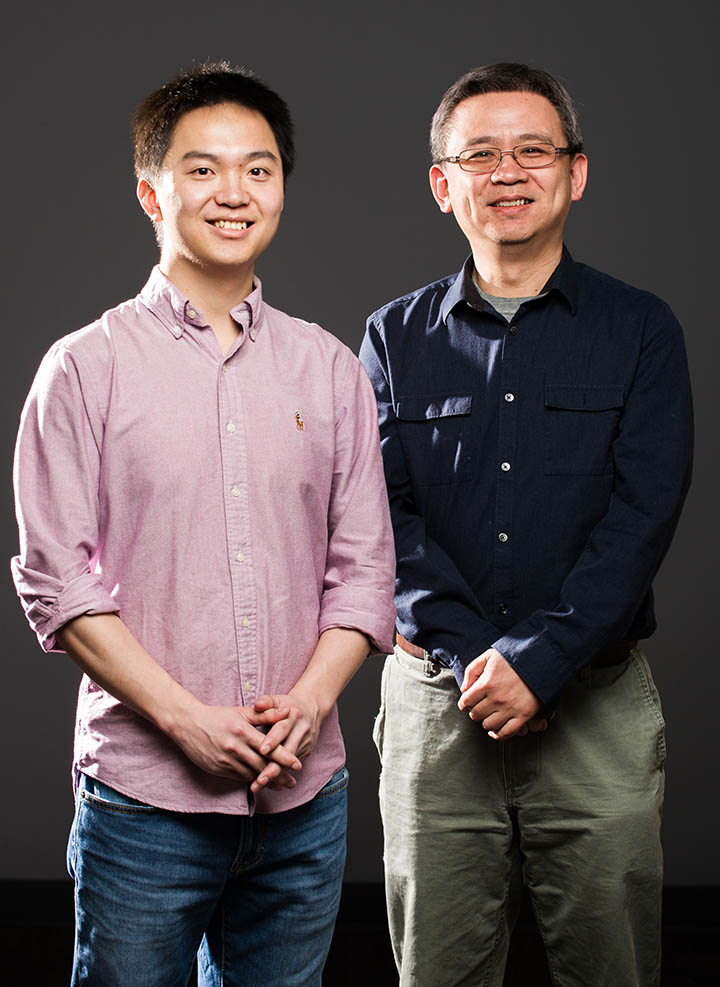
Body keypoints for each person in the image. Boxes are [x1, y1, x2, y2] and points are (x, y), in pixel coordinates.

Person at [12, 62, 395, 987]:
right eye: (203, 169)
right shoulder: (83, 368)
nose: (235, 192)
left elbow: (366, 572)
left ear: (281, 190)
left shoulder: (329, 369)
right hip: (144, 805)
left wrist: (308, 704)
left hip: (303, 801)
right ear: (151, 191)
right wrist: (187, 721)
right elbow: (56, 581)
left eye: (259, 170)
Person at [360, 62, 692, 987]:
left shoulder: (641, 330)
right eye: (480, 154)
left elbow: (643, 514)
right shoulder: (392, 337)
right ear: (443, 184)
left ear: (574, 172)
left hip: (596, 701)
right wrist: (479, 663)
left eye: (532, 150)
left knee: (612, 966)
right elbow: (380, 516)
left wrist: (539, 662)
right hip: (437, 700)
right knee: (438, 970)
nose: (507, 172)